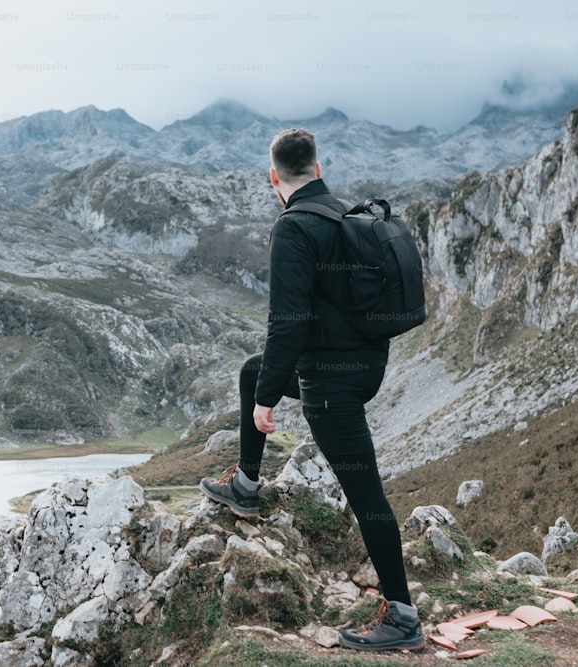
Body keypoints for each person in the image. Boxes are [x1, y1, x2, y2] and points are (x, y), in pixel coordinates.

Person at [199, 128, 424, 651]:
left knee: (367, 497)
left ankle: (405, 619)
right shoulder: (341, 214)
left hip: (332, 382)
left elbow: (289, 320)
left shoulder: (294, 227)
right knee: (253, 369)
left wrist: (267, 401)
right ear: (318, 171)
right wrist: (266, 382)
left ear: (273, 178)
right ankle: (247, 488)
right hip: (365, 365)